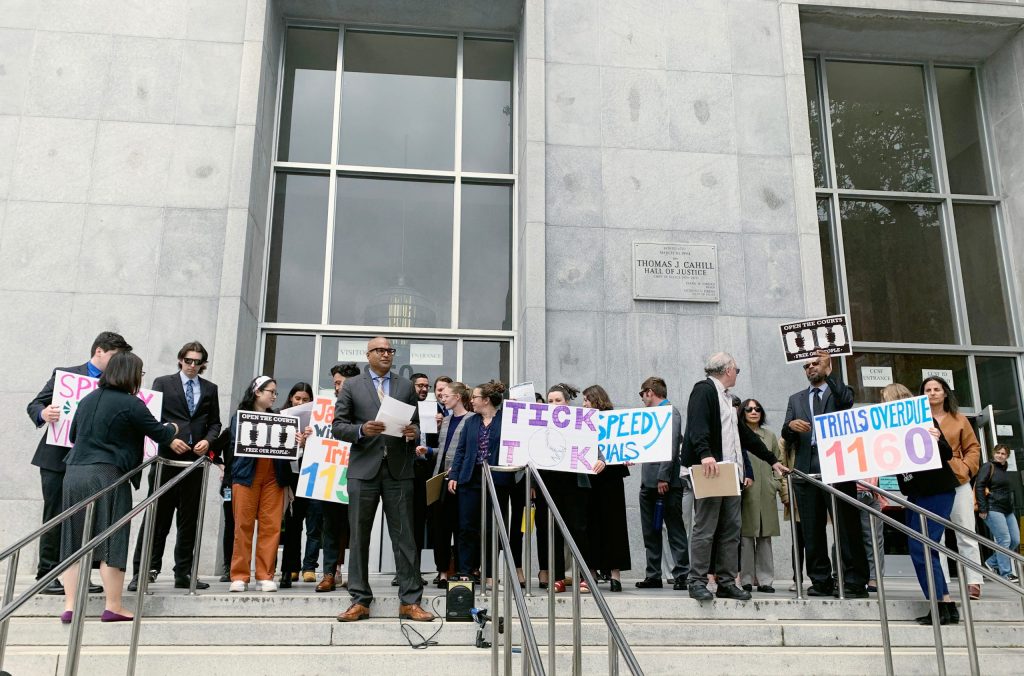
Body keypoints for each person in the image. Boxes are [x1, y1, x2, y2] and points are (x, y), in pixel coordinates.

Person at [59, 351, 186, 623]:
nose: (141, 379)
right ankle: (113, 606)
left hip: (73, 473)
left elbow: (72, 436)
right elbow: (160, 433)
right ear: (130, 374)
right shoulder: (132, 404)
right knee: (112, 540)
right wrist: (174, 427)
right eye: (140, 374)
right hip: (107, 474)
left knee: (73, 540)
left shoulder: (87, 399)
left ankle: (71, 606)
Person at [333, 337, 432, 622]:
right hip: (364, 469)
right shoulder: (352, 385)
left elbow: (414, 424)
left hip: (399, 470)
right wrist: (362, 429)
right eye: (381, 350)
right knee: (359, 535)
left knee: (405, 537)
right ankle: (360, 600)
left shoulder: (404, 386)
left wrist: (413, 432)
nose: (387, 354)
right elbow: (338, 427)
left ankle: (410, 601)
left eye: (390, 350)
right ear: (369, 354)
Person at [27, 331, 132, 596]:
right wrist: (43, 412)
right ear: (99, 351)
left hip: (92, 463)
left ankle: (80, 575)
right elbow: (35, 404)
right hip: (57, 459)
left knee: (87, 519)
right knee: (56, 516)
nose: (118, 362)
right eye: (115, 356)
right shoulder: (65, 375)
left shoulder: (117, 385)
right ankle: (47, 573)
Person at [682, 352, 786, 602]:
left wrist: (772, 460)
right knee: (706, 527)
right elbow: (697, 425)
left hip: (731, 471)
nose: (737, 374)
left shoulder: (727, 399)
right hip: (711, 468)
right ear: (727, 370)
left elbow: (746, 436)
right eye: (736, 370)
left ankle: (727, 581)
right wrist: (706, 454)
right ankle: (696, 581)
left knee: (731, 528)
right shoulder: (704, 390)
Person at [128, 341, 221, 592]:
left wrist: (208, 440)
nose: (192, 365)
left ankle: (184, 572)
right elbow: (152, 419)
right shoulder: (162, 383)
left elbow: (215, 423)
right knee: (157, 516)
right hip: (167, 460)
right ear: (180, 360)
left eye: (197, 361)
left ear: (203, 364)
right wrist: (169, 438)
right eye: (188, 360)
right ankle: (143, 570)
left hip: (194, 463)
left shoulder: (210, 389)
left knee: (189, 519)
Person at [781, 349, 869, 598]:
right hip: (806, 470)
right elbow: (785, 435)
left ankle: (854, 581)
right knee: (812, 529)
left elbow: (846, 401)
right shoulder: (796, 399)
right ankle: (820, 580)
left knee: (846, 526)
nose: (811, 368)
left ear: (825, 365)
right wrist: (790, 427)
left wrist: (831, 370)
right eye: (807, 365)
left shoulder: (838, 390)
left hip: (838, 466)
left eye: (815, 363)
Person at [883, 384, 961, 626]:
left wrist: (936, 439)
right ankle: (944, 604)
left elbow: (947, 454)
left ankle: (941, 604)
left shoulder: (923, 419)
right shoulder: (889, 429)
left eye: (885, 400)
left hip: (936, 491)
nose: (883, 404)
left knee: (922, 548)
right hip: (916, 494)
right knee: (923, 548)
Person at [447, 381, 518, 584]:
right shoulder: (470, 422)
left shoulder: (506, 421)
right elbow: (461, 451)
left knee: (492, 528)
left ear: (486, 400)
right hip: (470, 479)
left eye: (475, 397)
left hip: (498, 481)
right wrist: (454, 476)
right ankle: (466, 570)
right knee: (466, 526)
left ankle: (488, 573)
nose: (472, 401)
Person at [921, 376, 984, 600]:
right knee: (934, 536)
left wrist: (967, 468)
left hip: (957, 478)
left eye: (937, 389)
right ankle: (942, 580)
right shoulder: (919, 419)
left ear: (945, 393)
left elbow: (973, 448)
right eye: (928, 389)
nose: (932, 393)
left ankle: (974, 580)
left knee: (965, 530)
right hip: (930, 481)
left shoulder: (959, 419)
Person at [228, 376, 292, 592]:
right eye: (270, 391)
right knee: (243, 526)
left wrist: (298, 440)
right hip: (247, 475)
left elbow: (287, 447)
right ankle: (239, 575)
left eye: (275, 392)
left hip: (274, 476)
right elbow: (235, 443)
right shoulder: (240, 417)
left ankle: (265, 575)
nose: (274, 396)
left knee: (271, 526)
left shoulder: (281, 417)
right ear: (257, 392)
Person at [533, 383, 595, 593]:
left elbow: (593, 443)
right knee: (553, 532)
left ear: (567, 403)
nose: (553, 404)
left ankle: (585, 576)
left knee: (579, 529)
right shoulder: (539, 425)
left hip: (574, 484)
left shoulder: (579, 421)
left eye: (558, 400)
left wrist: (601, 460)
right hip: (548, 483)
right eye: (550, 401)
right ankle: (558, 577)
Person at [636, 377, 688, 591]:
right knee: (650, 531)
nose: (642, 399)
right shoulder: (650, 416)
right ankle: (653, 574)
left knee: (674, 529)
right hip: (648, 482)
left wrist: (663, 477)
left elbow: (671, 445)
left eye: (642, 394)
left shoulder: (670, 412)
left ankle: (682, 573)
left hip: (665, 482)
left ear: (649, 392)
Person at [317, 363, 361, 592]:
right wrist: (309, 438)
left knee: (357, 527)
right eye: (334, 383)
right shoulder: (325, 410)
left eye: (339, 383)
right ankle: (328, 574)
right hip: (331, 474)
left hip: (359, 473)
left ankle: (355, 575)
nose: (335, 388)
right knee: (331, 526)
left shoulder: (365, 409)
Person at [583, 385, 630, 592]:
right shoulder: (583, 422)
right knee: (593, 524)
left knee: (613, 525)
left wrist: (629, 456)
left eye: (586, 399)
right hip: (592, 477)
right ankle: (596, 572)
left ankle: (613, 574)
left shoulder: (613, 421)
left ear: (595, 399)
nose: (584, 403)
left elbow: (625, 446)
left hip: (609, 477)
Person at [429, 381, 474, 587]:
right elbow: (444, 450)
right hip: (440, 477)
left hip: (460, 480)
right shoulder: (445, 421)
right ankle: (443, 571)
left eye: (446, 395)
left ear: (457, 397)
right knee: (440, 527)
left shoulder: (472, 420)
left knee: (460, 525)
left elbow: (466, 453)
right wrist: (428, 452)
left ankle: (462, 568)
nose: (443, 398)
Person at [739, 398, 783, 593]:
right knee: (746, 537)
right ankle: (746, 579)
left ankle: (765, 580)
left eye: (757, 409)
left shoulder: (770, 436)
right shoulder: (738, 435)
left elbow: (779, 462)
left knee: (765, 537)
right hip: (747, 491)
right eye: (749, 409)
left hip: (766, 492)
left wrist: (775, 485)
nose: (753, 412)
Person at [280, 382, 319, 588]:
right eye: (298, 399)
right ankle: (291, 567)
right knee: (292, 523)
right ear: (291, 399)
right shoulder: (282, 418)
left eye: (305, 399)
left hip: (311, 475)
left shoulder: (317, 422)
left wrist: (308, 442)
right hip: (291, 479)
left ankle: (310, 567)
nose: (301, 403)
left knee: (313, 523)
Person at [977, 443, 1020, 583]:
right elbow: (979, 486)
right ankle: (1006, 573)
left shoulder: (1004, 468)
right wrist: (983, 508)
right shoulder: (988, 466)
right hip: (992, 507)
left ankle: (992, 562)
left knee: (1015, 540)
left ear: (1007, 456)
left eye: (1003, 454)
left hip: (1007, 509)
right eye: (998, 453)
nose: (1000, 455)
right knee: (1004, 540)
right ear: (993, 453)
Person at [406, 372, 434, 586]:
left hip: (426, 471)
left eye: (427, 386)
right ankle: (405, 570)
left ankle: (415, 570)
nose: (424, 389)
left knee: (420, 521)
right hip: (407, 471)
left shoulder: (436, 410)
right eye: (420, 386)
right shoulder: (404, 409)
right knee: (405, 522)